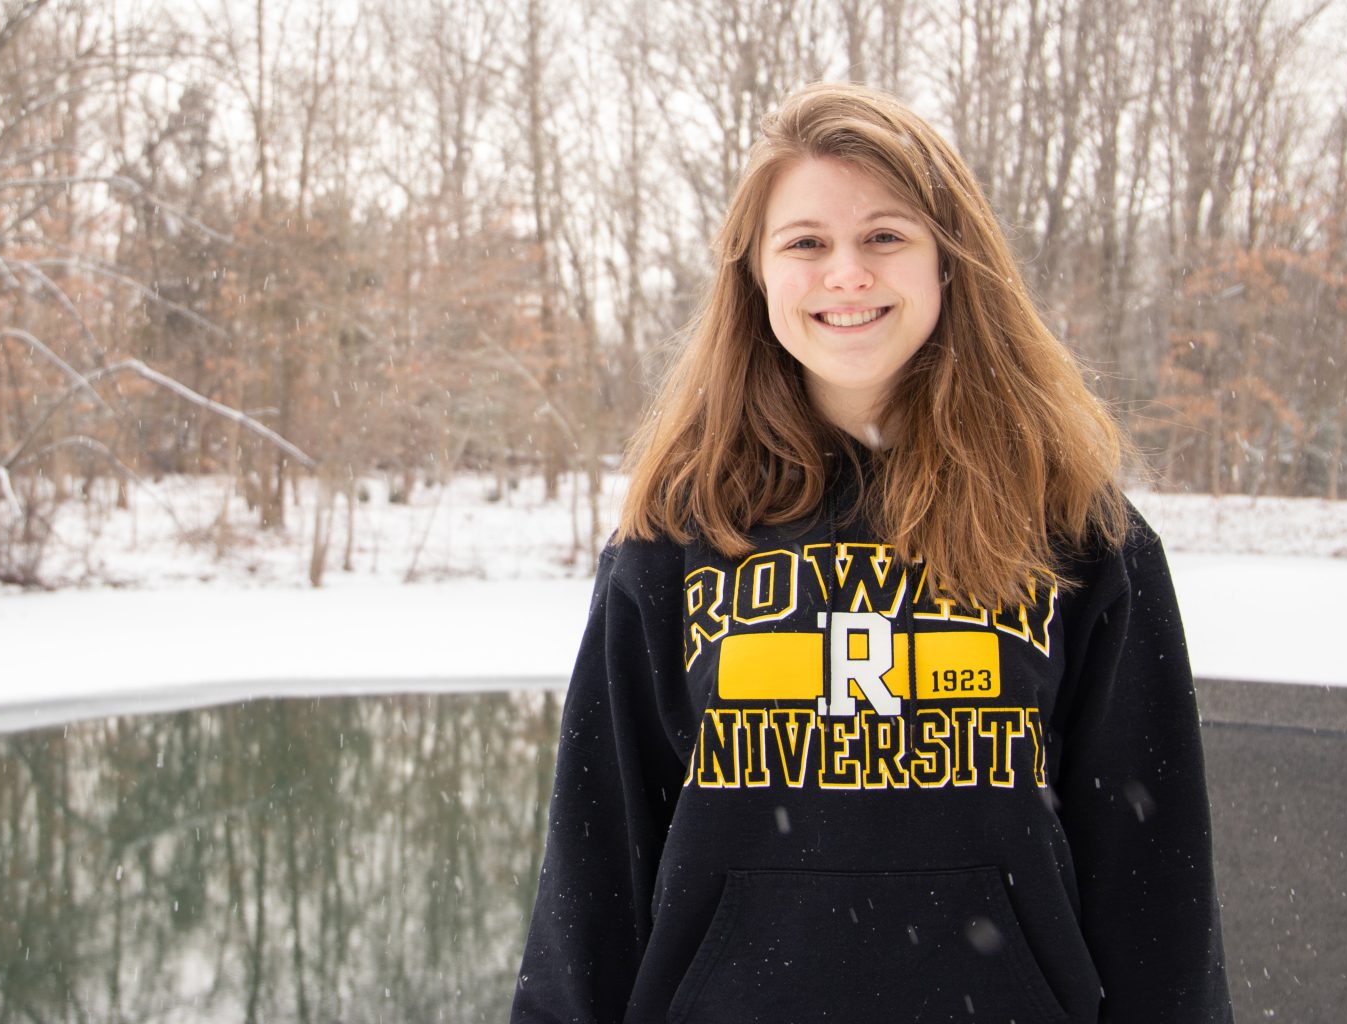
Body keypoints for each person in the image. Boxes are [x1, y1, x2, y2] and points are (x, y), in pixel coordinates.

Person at [508, 81, 1233, 1023]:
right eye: (805, 243)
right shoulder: (676, 536)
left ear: (949, 265)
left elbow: (1156, 886)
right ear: (757, 277)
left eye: (885, 237)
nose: (845, 273)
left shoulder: (1080, 533)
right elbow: (594, 866)